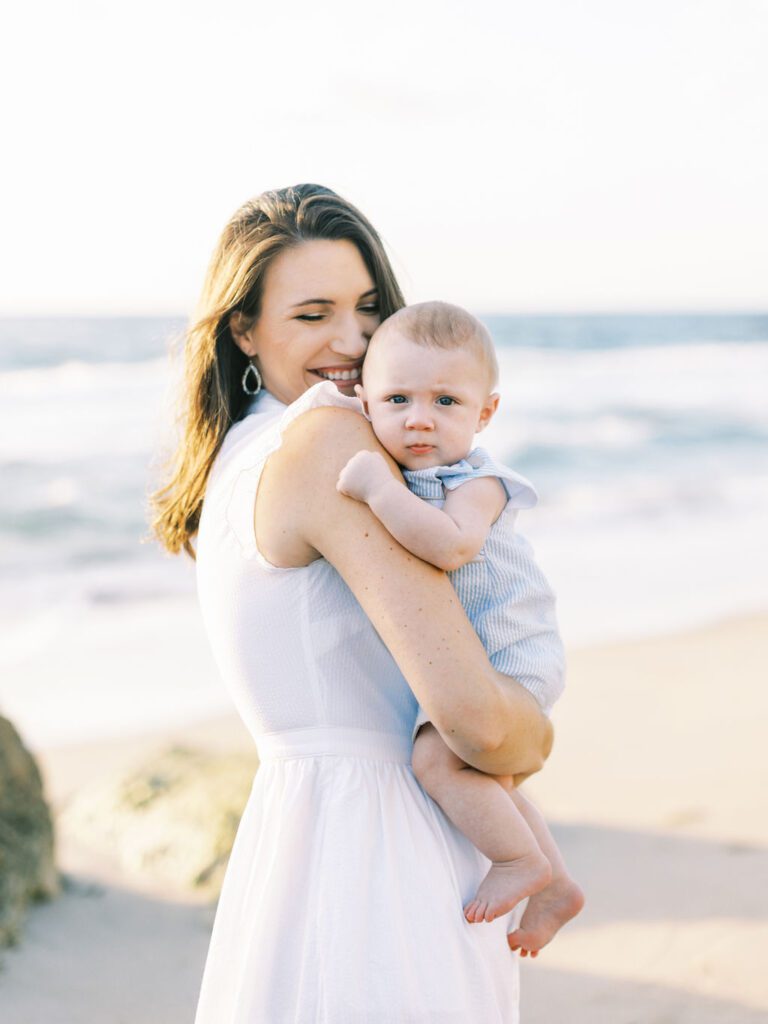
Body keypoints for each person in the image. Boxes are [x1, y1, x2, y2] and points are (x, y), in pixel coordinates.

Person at [152, 184, 554, 1022]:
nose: (353, 340)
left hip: (300, 835)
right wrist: (536, 731)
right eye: (313, 314)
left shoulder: (239, 455)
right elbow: (477, 722)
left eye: (369, 306)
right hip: (377, 844)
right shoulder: (328, 439)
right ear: (244, 329)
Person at [336, 301, 584, 954]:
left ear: (485, 413)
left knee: (436, 761)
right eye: (398, 399)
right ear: (364, 402)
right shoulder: (410, 469)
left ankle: (518, 863)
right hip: (486, 658)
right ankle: (556, 884)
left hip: (512, 654)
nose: (420, 418)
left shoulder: (481, 482)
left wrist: (374, 490)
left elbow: (448, 547)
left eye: (446, 401)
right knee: (482, 779)